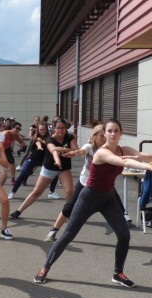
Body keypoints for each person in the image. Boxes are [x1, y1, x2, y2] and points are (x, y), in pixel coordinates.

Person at [34, 120, 152, 288]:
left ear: (120, 133)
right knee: (68, 234)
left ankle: (118, 273)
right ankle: (45, 268)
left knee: (124, 235)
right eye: (109, 131)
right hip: (89, 197)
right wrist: (147, 167)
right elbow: (124, 163)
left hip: (108, 198)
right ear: (104, 133)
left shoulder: (123, 150)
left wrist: (146, 160)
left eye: (116, 131)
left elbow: (142, 155)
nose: (112, 134)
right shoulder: (102, 153)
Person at [43, 123, 125, 242]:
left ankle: (123, 237)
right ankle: (53, 231)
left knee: (120, 210)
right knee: (68, 208)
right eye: (102, 135)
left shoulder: (112, 148)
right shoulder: (89, 147)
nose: (105, 137)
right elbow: (80, 152)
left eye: (105, 135)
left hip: (104, 185)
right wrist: (72, 152)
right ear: (95, 136)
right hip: (86, 183)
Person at [10, 118, 78, 219]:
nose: (61, 130)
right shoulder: (50, 139)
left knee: (69, 191)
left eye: (63, 128)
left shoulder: (70, 137)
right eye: (58, 128)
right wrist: (59, 156)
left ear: (66, 128)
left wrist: (62, 149)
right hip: (49, 168)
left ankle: (68, 214)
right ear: (54, 128)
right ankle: (19, 210)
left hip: (64, 169)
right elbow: (52, 150)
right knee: (37, 192)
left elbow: (76, 151)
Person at [7, 122, 59, 200]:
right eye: (41, 129)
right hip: (33, 158)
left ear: (46, 130)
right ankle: (12, 192)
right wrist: (39, 145)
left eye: (44, 129)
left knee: (55, 173)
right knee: (23, 173)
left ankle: (51, 192)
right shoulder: (34, 137)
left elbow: (50, 144)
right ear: (38, 130)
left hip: (44, 160)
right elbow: (37, 142)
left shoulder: (49, 137)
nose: (42, 131)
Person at [0, 121, 25, 186]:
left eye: (19, 129)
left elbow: (21, 141)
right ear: (12, 128)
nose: (18, 130)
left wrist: (22, 145)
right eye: (17, 128)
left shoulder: (15, 136)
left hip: (7, 149)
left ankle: (13, 179)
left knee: (12, 162)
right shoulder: (6, 133)